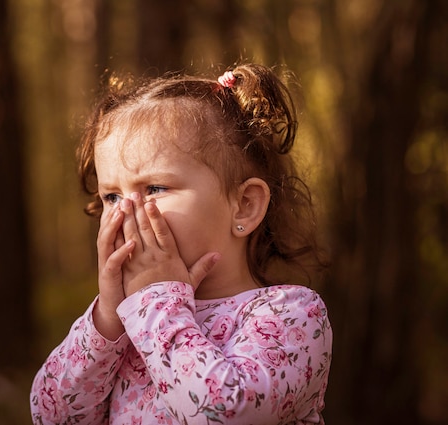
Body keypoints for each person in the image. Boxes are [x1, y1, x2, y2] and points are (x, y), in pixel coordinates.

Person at [30, 63, 332, 424]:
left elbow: (224, 413)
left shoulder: (290, 315)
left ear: (245, 206)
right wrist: (109, 319)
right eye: (111, 196)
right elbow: (52, 415)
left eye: (155, 189)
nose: (127, 211)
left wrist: (157, 303)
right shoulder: (125, 326)